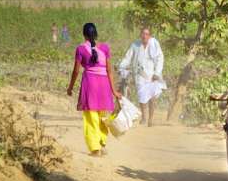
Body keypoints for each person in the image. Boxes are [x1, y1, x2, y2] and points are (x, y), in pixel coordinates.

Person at [67, 23, 121, 156]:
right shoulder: (105, 48)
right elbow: (109, 70)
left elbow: (76, 71)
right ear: (96, 34)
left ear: (84, 34)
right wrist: (114, 91)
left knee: (91, 117)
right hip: (104, 85)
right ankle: (102, 143)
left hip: (90, 84)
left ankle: (95, 148)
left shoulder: (80, 49)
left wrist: (70, 87)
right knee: (103, 116)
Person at [118, 27, 166, 127]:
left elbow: (160, 58)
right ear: (140, 35)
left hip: (153, 75)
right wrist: (121, 66)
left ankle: (150, 119)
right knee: (142, 97)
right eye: (143, 34)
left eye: (147, 34)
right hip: (140, 75)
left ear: (150, 36)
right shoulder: (135, 45)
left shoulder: (154, 44)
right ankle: (144, 117)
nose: (144, 36)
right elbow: (128, 58)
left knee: (153, 98)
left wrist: (157, 73)